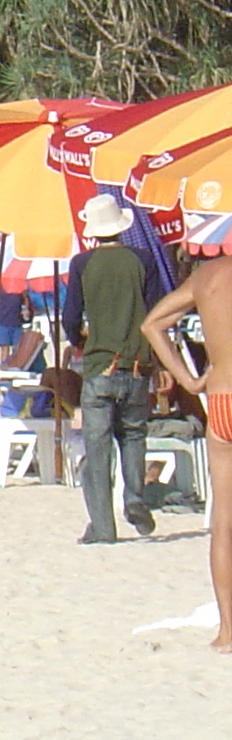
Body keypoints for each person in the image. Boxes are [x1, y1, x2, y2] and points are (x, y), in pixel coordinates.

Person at [139, 252, 232, 652]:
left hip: (222, 400)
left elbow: (152, 324)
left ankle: (228, 631)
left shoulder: (208, 275)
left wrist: (190, 382)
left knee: (224, 522)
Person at [71, 194, 159, 544]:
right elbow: (155, 311)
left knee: (98, 447)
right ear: (121, 227)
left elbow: (71, 316)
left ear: (93, 230)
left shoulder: (82, 264)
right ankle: (135, 498)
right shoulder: (143, 259)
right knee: (134, 435)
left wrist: (77, 339)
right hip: (138, 364)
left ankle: (103, 527)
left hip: (98, 365)